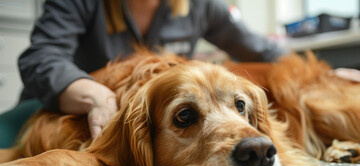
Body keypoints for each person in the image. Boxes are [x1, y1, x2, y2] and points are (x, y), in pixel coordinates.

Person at [17, 0, 286, 141]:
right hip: (55, 110)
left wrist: (327, 73)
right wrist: (96, 97)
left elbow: (264, 50)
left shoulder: (201, 4)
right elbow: (40, 58)